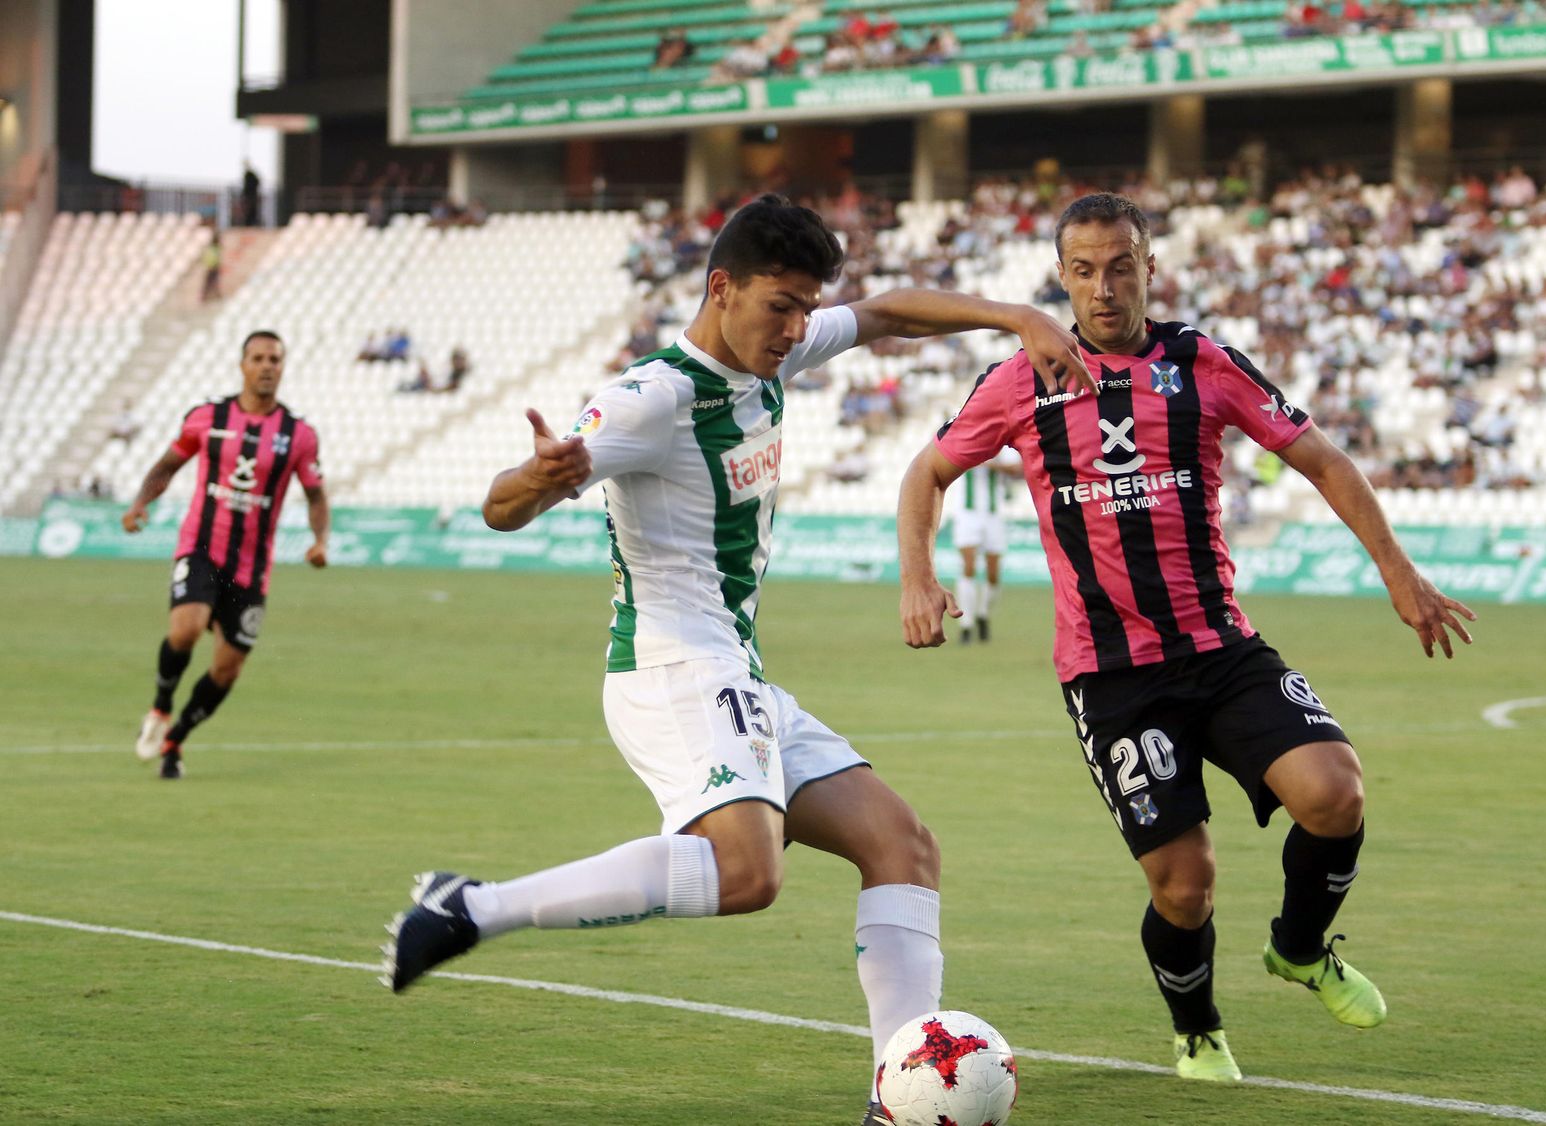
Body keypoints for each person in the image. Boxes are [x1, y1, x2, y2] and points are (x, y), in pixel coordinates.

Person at [380, 194, 1092, 1126]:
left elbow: (884, 316)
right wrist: (537, 478)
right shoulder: (654, 398)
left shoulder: (777, 348)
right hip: (671, 669)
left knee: (902, 846)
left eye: (804, 309)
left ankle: (902, 1091)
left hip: (737, 671)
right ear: (723, 290)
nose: (795, 329)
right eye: (780, 307)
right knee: (749, 874)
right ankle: (471, 908)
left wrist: (1017, 316)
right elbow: (499, 508)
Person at [898, 193, 1476, 1083]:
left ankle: (1299, 947)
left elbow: (1319, 456)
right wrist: (919, 577)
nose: (1102, 286)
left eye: (1121, 264)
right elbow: (927, 473)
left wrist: (1398, 572)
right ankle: (1197, 1027)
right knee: (1185, 881)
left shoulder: (1202, 362)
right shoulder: (1020, 380)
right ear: (1061, 277)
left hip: (1221, 647)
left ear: (1150, 268)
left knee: (1336, 793)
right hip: (1112, 676)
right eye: (1083, 270)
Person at [122, 331, 330, 779]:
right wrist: (142, 501)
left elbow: (316, 495)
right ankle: (159, 710)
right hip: (201, 547)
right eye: (258, 358)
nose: (267, 365)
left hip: (251, 567)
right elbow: (166, 466)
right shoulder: (207, 418)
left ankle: (175, 740)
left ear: (283, 365)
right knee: (186, 629)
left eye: (275, 358)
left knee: (227, 669)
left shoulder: (299, 436)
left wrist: (320, 540)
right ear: (243, 365)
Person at [948, 448, 1022, 644]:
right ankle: (966, 625)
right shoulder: (965, 439)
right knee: (968, 566)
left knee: (993, 573)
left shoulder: (1001, 447)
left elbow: (1018, 468)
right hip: (967, 514)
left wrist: (993, 464)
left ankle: (983, 613)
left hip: (993, 515)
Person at [199, 232, 222, 302]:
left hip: (213, 267)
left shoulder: (215, 248)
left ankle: (214, 295)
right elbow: (210, 258)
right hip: (212, 267)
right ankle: (205, 296)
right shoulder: (213, 249)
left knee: (213, 282)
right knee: (209, 282)